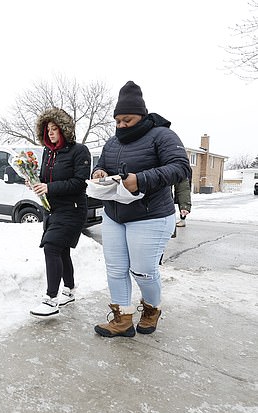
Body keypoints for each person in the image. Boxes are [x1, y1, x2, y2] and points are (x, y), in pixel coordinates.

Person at [91, 81, 191, 337]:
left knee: (143, 271)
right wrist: (99, 172)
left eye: (128, 120)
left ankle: (151, 309)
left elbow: (181, 167)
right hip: (115, 214)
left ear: (142, 116)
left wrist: (141, 180)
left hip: (151, 215)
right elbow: (101, 165)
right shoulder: (112, 143)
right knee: (115, 269)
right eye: (118, 121)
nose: (122, 125)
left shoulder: (163, 135)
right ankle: (122, 319)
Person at [28, 108, 91, 319]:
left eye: (55, 129)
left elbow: (79, 183)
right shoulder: (48, 152)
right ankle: (69, 290)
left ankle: (51, 299)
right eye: (48, 130)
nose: (51, 133)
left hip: (72, 209)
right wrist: (35, 182)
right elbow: (45, 178)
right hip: (52, 209)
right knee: (62, 251)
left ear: (64, 130)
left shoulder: (79, 151)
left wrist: (49, 188)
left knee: (51, 247)